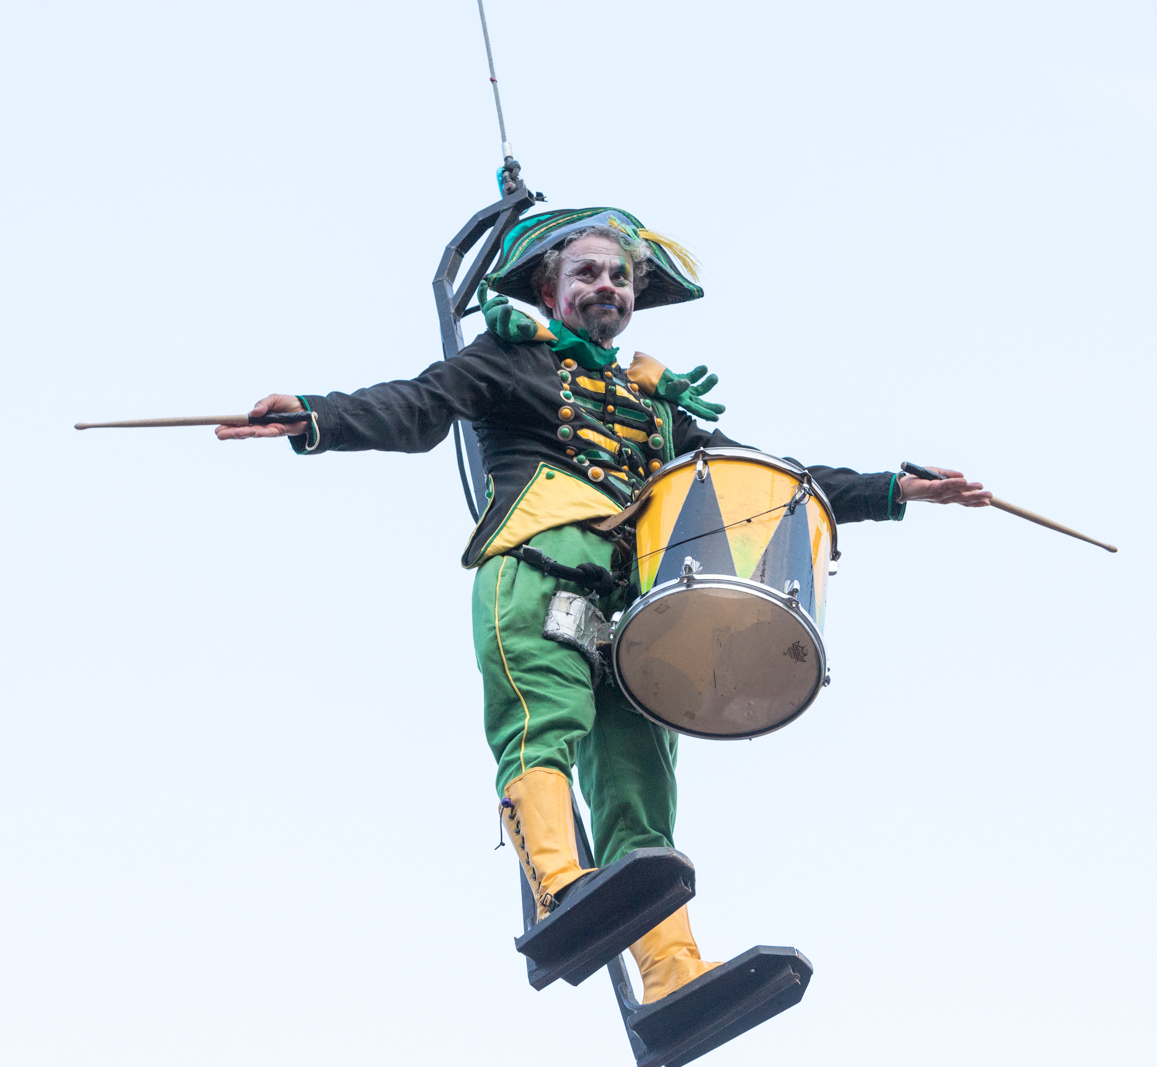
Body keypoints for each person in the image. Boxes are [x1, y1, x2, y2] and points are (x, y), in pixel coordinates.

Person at [217, 207, 990, 1008]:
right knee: (543, 722)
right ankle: (558, 883)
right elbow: (417, 405)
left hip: (632, 614)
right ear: (549, 288)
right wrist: (317, 415)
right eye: (587, 271)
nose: (607, 286)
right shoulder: (511, 360)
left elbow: (766, 484)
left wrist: (894, 489)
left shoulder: (655, 407)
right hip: (540, 569)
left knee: (640, 781)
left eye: (619, 276)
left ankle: (672, 972)